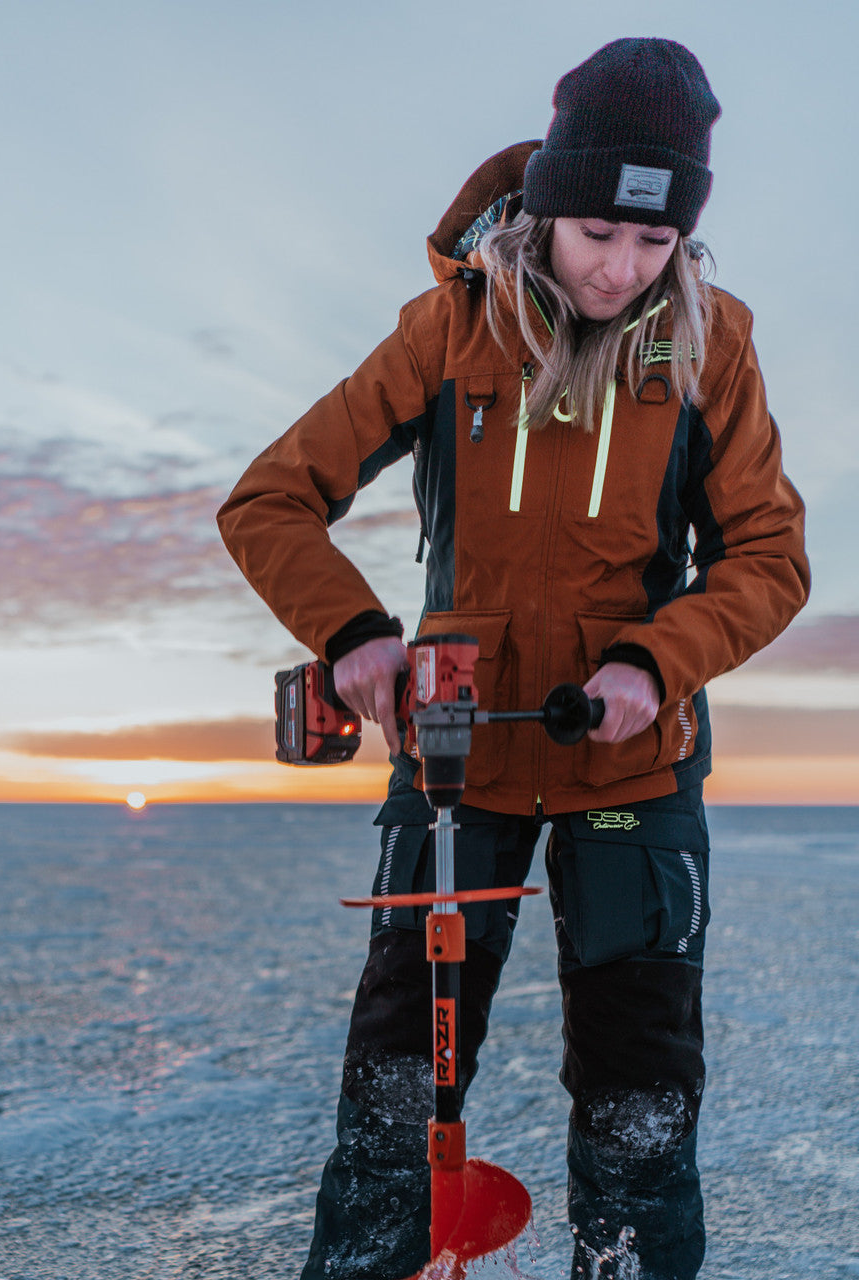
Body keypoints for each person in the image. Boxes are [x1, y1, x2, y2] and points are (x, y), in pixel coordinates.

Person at [217, 37, 809, 1280]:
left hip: (632, 772)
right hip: (451, 766)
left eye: (653, 243)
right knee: (390, 1100)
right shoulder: (447, 332)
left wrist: (657, 659)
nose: (622, 267)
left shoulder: (711, 345)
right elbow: (270, 497)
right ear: (546, 205)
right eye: (598, 230)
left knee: (639, 1112)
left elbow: (766, 552)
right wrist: (356, 637)